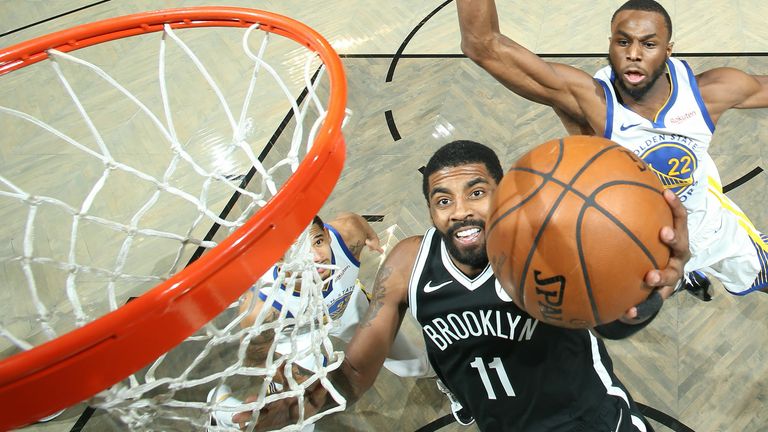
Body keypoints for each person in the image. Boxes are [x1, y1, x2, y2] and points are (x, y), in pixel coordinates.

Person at [241, 140, 690, 431]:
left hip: (588, 422)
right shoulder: (409, 263)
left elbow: (611, 322)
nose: (459, 212)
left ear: (505, 192)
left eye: (477, 192)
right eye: (443, 200)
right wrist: (295, 405)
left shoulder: (544, 242)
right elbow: (357, 372)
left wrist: (646, 299)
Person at [456, 0, 768, 300]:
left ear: (668, 50)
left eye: (648, 44)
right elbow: (481, 44)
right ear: (609, 44)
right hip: (637, 241)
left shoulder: (709, 92)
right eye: (623, 42)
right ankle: (685, 275)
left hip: (709, 223)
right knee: (627, 304)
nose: (634, 54)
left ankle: (694, 270)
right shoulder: (591, 101)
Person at [208, 213, 431, 430]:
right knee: (303, 414)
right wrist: (301, 381)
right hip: (297, 334)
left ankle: (452, 381)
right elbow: (256, 357)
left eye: (317, 241)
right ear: (277, 259)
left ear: (326, 234)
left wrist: (371, 239)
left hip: (345, 307)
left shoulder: (348, 233)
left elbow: (360, 225)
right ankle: (223, 410)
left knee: (415, 365)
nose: (316, 256)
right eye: (298, 251)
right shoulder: (259, 308)